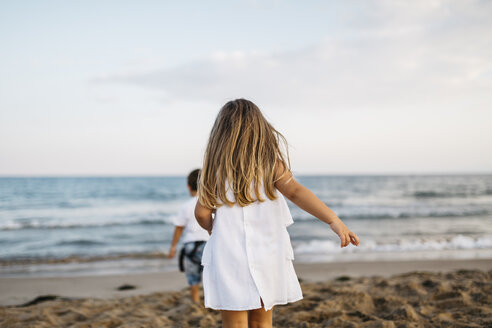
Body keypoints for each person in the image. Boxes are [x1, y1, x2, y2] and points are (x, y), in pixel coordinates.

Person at [194, 99, 360, 328]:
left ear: (220, 133)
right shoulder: (271, 164)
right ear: (259, 130)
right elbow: (296, 192)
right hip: (267, 252)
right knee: (262, 321)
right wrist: (333, 220)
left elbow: (201, 213)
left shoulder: (214, 170)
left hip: (228, 254)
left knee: (235, 321)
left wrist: (212, 228)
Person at [168, 168, 210, 303]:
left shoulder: (185, 206)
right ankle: (211, 301)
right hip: (208, 244)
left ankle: (196, 301)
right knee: (210, 276)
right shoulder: (210, 203)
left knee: (193, 278)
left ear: (188, 186)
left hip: (190, 246)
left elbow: (179, 227)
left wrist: (173, 247)